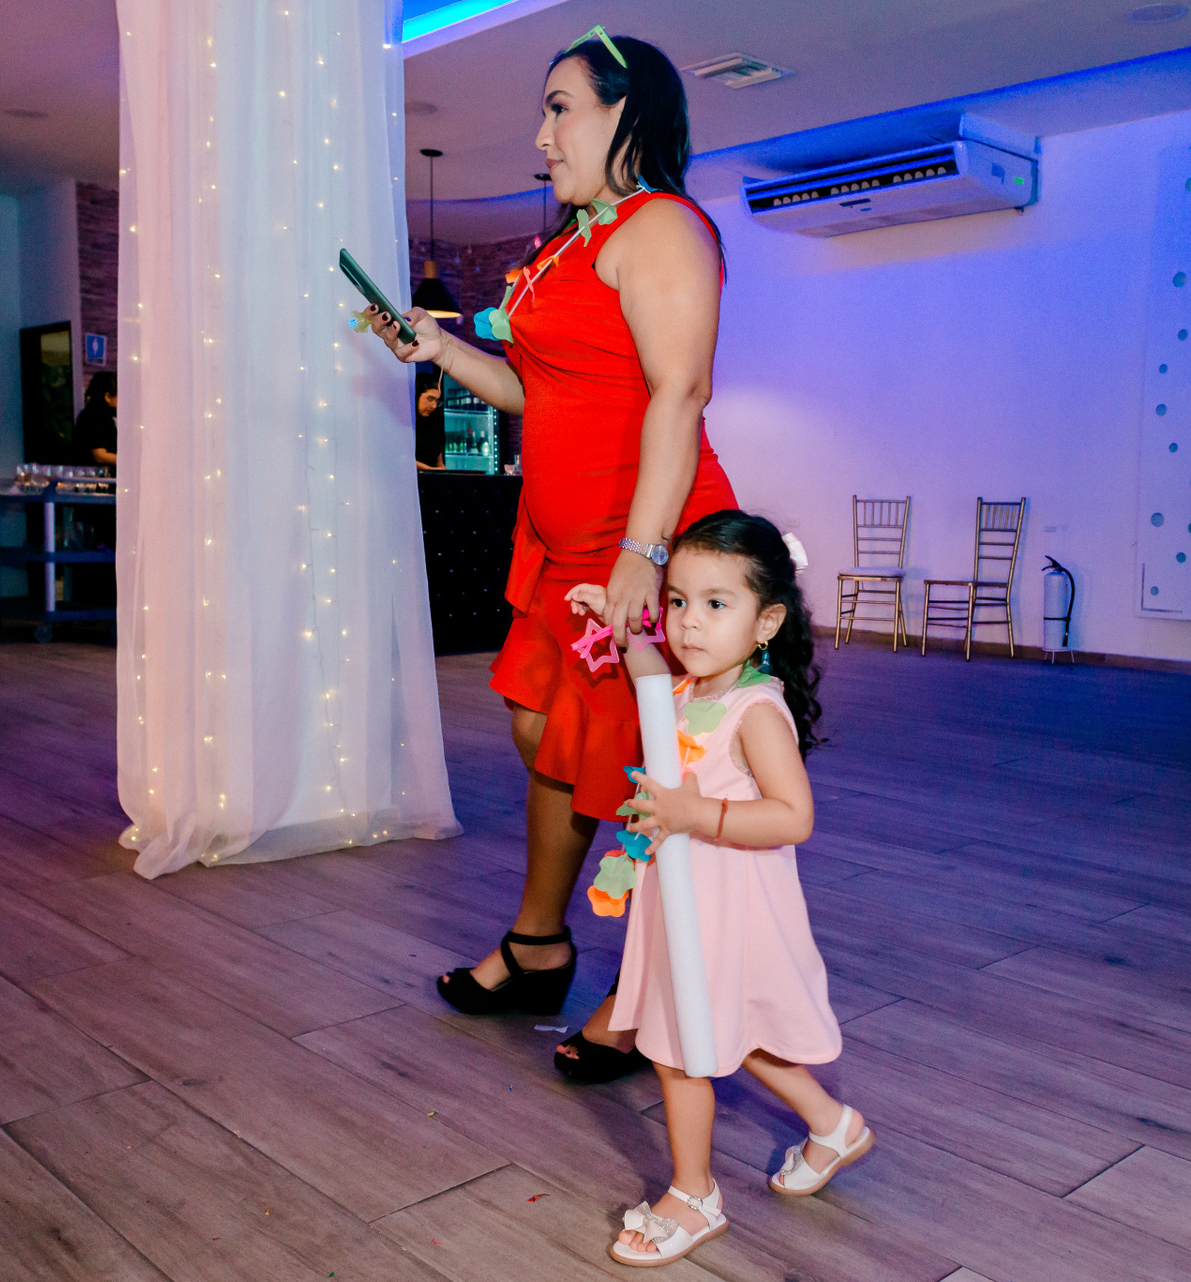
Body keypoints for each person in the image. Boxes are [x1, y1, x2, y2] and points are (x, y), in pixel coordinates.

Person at [362, 29, 735, 1081]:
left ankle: (655, 988)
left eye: (561, 107)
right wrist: (441, 348)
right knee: (548, 737)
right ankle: (538, 945)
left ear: (627, 112)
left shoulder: (663, 228)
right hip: (561, 547)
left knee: (644, 771)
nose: (541, 133)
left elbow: (680, 392)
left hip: (643, 544)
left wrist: (643, 555)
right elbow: (538, 391)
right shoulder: (570, 243)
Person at [564, 510, 870, 1267]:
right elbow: (647, 683)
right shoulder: (686, 688)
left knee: (679, 1050)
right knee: (737, 1031)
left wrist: (698, 813)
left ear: (766, 622)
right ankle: (832, 1126)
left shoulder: (754, 711)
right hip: (684, 904)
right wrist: (620, 626)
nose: (689, 622)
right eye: (676, 601)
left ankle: (694, 1194)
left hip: (726, 910)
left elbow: (794, 815)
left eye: (715, 603)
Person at [73, 371, 118, 469]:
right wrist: (127, 461)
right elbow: (99, 455)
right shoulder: (95, 417)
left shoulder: (96, 414)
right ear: (107, 396)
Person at [414, 371, 446, 470]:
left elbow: (440, 463)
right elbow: (402, 459)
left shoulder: (433, 424)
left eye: (437, 401)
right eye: (430, 399)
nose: (434, 406)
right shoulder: (403, 424)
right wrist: (431, 470)